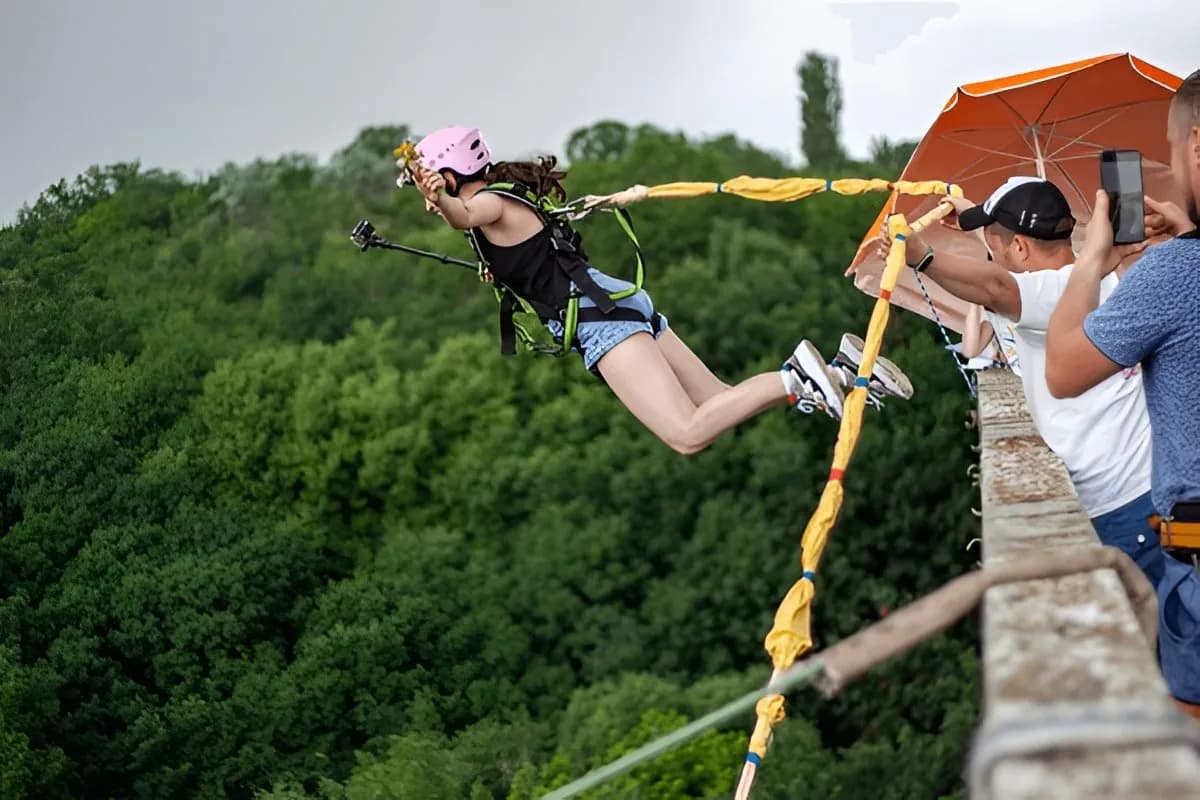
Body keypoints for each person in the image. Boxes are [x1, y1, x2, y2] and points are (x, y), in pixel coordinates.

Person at [397, 126, 915, 456]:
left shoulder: (486, 204)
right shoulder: (501, 205)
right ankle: (843, 371)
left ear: (450, 174)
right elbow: (514, 248)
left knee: (687, 435)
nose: (426, 199)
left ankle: (795, 376)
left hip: (602, 320)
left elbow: (462, 213)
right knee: (721, 401)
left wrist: (443, 201)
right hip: (615, 303)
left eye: (432, 184)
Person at [873, 176, 1163, 585]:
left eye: (997, 244)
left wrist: (922, 257)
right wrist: (978, 222)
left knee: (1151, 621)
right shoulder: (1096, 276)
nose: (993, 254)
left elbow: (996, 286)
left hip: (1119, 504)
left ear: (1022, 247)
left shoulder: (1057, 291)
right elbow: (1011, 275)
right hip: (1145, 486)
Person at [1044, 70, 1200, 711]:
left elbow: (1063, 370)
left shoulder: (1174, 273)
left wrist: (1092, 261)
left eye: (1172, 149)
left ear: (1197, 143)